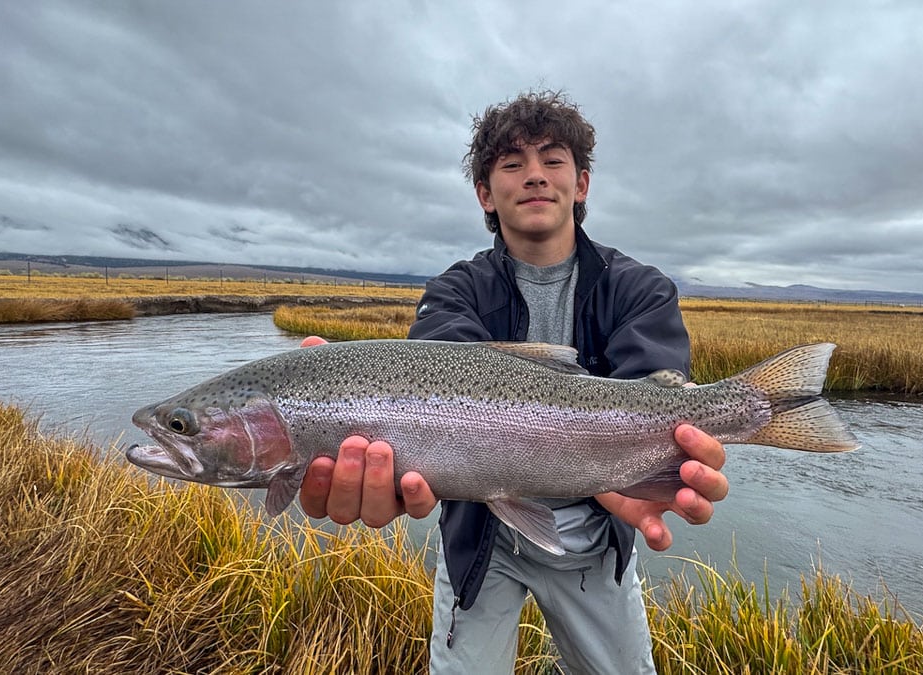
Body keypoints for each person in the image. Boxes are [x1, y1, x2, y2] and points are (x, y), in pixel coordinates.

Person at [298, 90, 729, 674]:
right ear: (485, 193)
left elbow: (649, 402)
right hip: (480, 537)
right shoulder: (454, 291)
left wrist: (628, 480)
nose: (534, 176)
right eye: (511, 164)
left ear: (581, 185)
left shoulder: (640, 289)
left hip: (596, 539)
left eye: (553, 161)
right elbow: (437, 379)